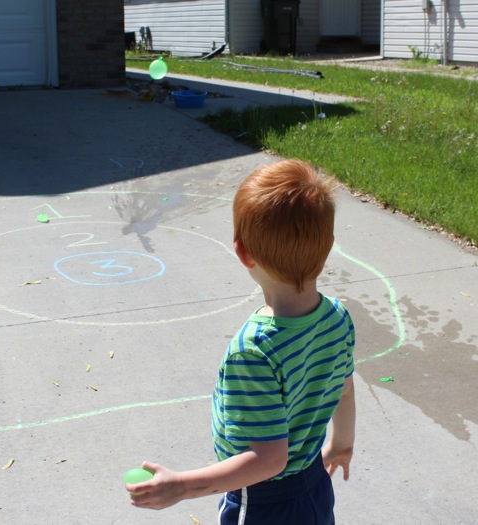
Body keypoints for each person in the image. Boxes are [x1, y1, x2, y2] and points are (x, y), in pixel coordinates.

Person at [126, 159, 356, 524]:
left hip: (265, 502)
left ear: (243, 252)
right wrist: (342, 444)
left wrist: (182, 486)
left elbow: (268, 459)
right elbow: (344, 388)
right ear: (327, 247)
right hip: (312, 484)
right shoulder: (337, 318)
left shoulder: (255, 350)